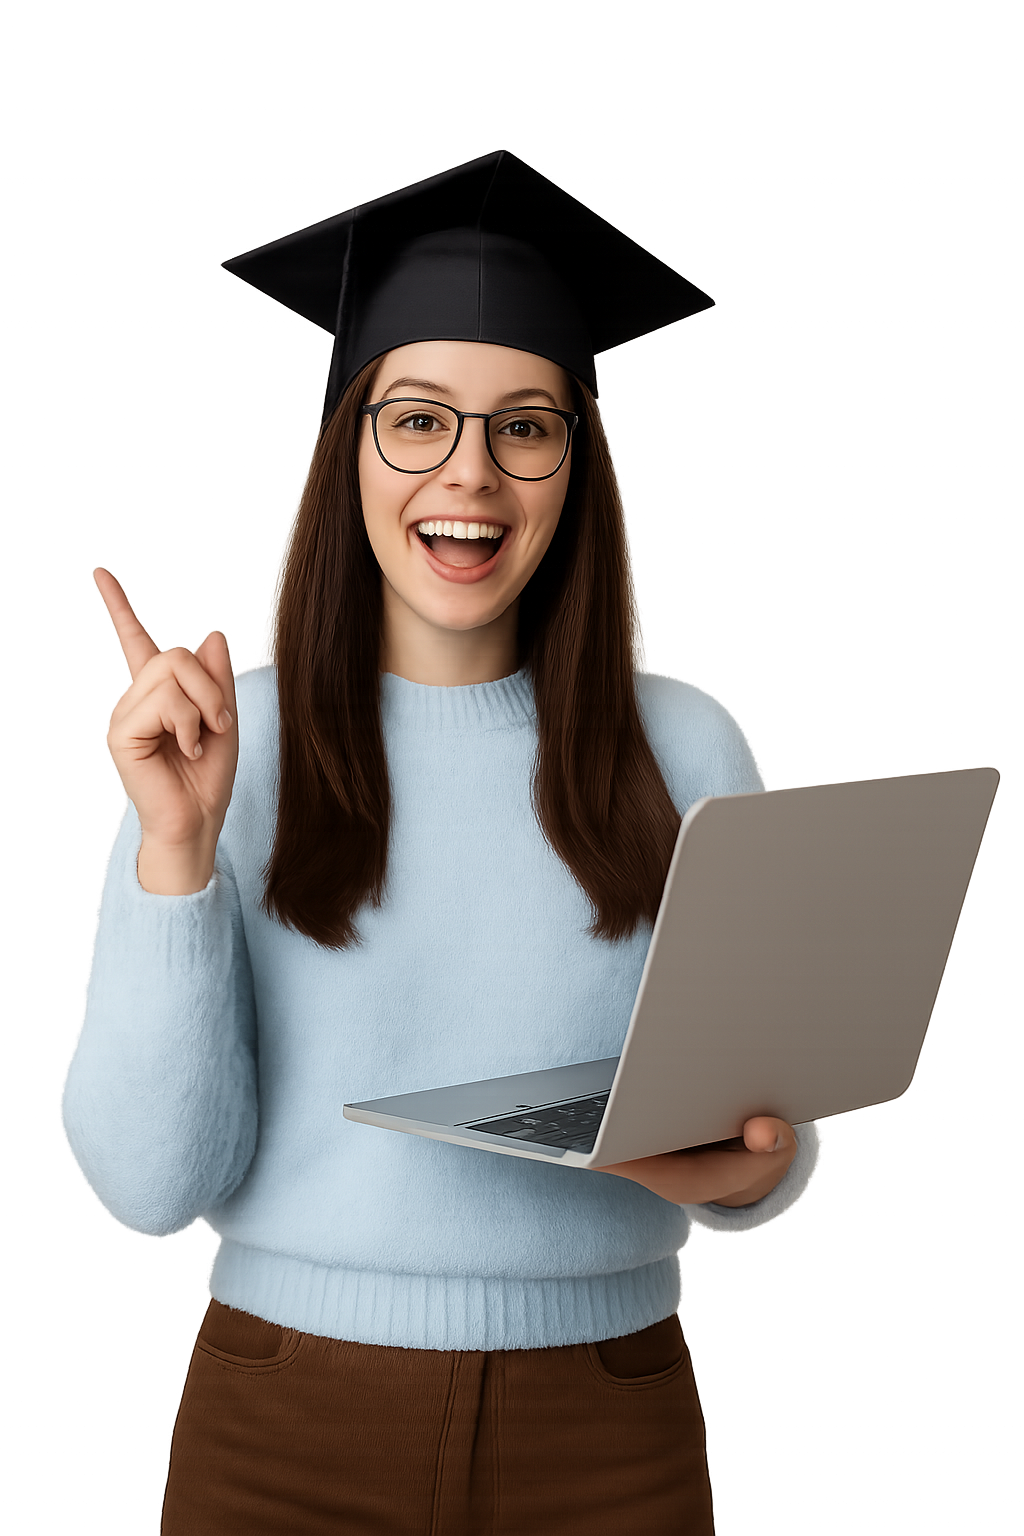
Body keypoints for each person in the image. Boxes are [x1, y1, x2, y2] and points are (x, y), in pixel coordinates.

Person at [65, 152, 819, 1535]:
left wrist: (754, 1159)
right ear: (350, 443)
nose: (469, 474)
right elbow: (150, 1186)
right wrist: (174, 848)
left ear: (574, 465)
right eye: (417, 419)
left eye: (525, 427)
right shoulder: (231, 747)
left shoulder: (691, 751)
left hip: (610, 1426)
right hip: (282, 1423)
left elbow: (762, 1158)